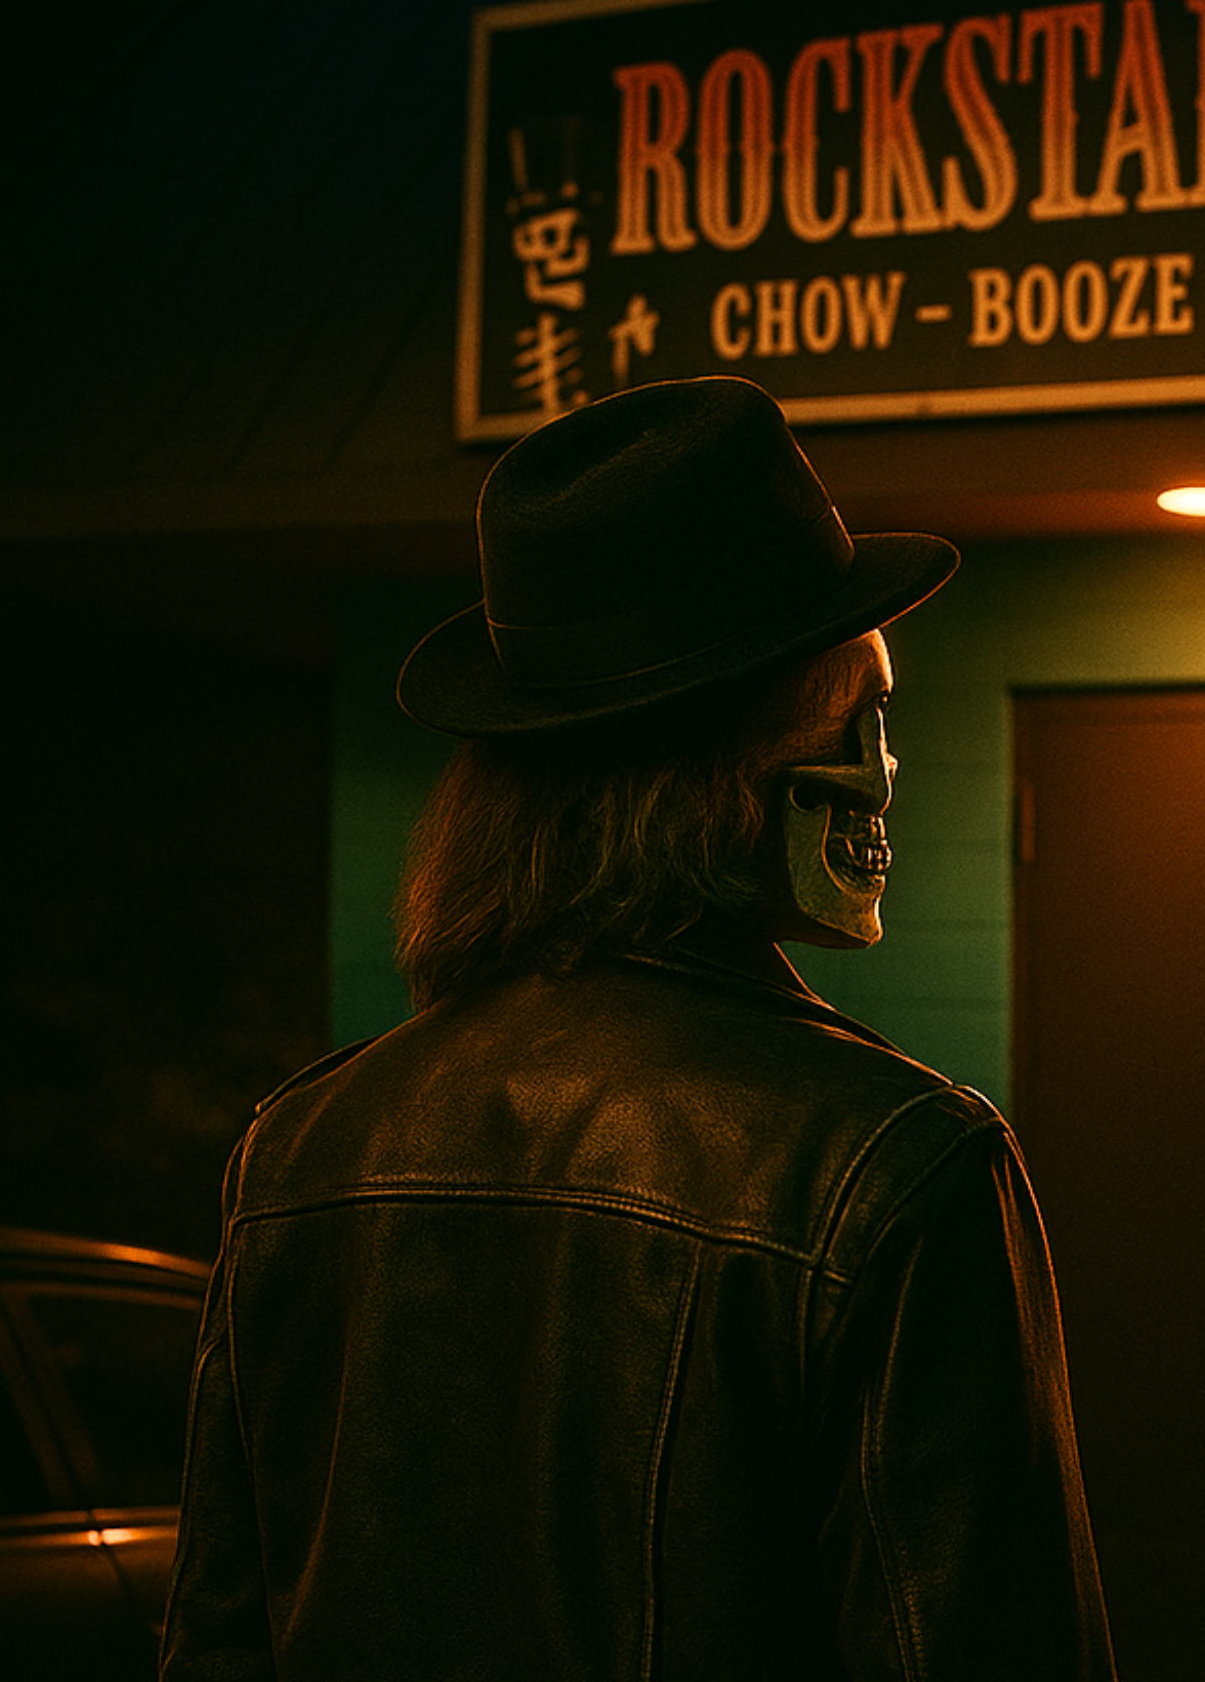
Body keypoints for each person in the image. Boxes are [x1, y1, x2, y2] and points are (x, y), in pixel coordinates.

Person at [161, 376, 1115, 1681]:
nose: (887, 771)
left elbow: (220, 1636)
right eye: (859, 715)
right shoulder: (900, 1168)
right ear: (730, 753)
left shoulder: (303, 1152)